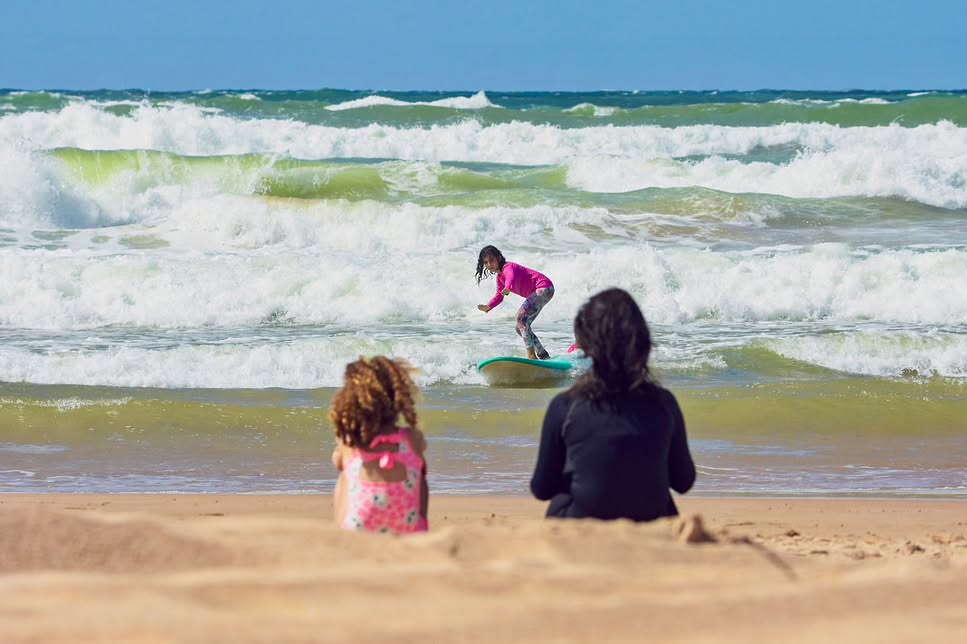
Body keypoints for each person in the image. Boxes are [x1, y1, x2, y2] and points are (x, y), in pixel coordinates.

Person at [530, 288, 696, 521]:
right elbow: (683, 481)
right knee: (665, 502)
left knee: (561, 499)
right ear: (641, 341)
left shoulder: (566, 406)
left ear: (585, 344)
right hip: (650, 521)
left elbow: (542, 488)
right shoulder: (663, 403)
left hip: (581, 522)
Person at [330, 356, 429, 533]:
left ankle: (342, 531)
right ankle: (419, 527)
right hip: (407, 525)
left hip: (358, 527)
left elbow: (337, 462)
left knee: (345, 474)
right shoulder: (413, 439)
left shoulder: (350, 443)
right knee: (419, 471)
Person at [475, 245, 555, 360]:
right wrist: (488, 306)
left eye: (491, 260)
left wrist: (508, 287)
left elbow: (510, 278)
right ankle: (543, 354)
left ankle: (531, 356)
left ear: (499, 258)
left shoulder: (508, 267)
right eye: (486, 262)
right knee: (520, 327)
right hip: (544, 290)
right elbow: (499, 296)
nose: (489, 265)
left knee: (519, 318)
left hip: (543, 287)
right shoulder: (499, 277)